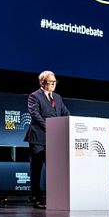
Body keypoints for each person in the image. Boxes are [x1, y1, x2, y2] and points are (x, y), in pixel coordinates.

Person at [24, 70, 70, 208]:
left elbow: (65, 113)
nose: (53, 84)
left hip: (54, 140)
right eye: (51, 82)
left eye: (55, 82)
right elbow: (35, 114)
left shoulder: (58, 97)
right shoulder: (34, 96)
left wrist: (71, 122)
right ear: (42, 83)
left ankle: (54, 198)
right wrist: (51, 127)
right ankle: (36, 198)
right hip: (38, 138)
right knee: (36, 170)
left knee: (55, 170)